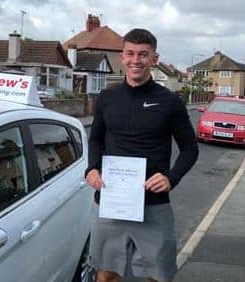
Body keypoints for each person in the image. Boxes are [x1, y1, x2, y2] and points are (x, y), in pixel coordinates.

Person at [85, 28, 199, 282]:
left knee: (156, 276)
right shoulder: (107, 97)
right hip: (111, 201)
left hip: (153, 204)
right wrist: (91, 168)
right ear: (122, 57)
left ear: (154, 59)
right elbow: (95, 138)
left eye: (143, 54)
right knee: (105, 275)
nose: (136, 60)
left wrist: (172, 177)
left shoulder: (170, 101)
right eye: (131, 54)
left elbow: (190, 148)